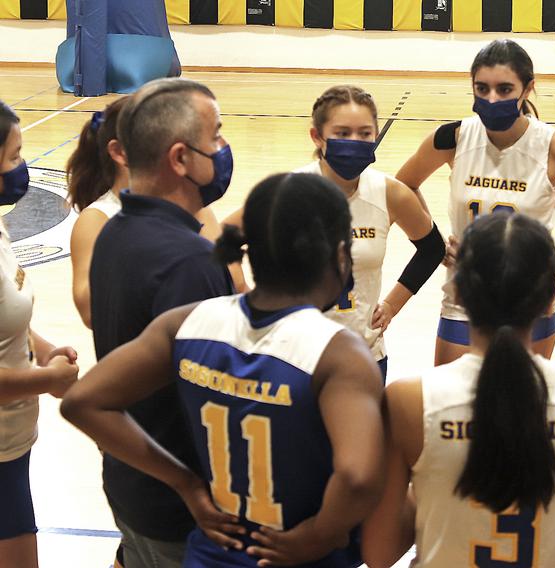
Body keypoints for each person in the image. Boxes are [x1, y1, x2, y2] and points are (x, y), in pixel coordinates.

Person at [62, 173, 385, 568]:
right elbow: (358, 477)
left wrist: (184, 483)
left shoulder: (186, 322)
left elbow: (81, 402)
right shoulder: (339, 353)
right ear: (339, 255)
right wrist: (318, 536)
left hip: (212, 553)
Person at [361, 212, 555, 568]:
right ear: (549, 300)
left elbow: (379, 553)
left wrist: (432, 487)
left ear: (459, 292)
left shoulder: (410, 400)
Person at [87, 78, 235, 567]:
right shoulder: (190, 262)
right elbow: (214, 395)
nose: (222, 148)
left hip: (130, 483)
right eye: (215, 136)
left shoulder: (115, 232)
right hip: (182, 507)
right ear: (179, 158)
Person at [396, 39, 555, 365]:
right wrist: (435, 244)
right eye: (481, 88)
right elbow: (403, 187)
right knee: (453, 405)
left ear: (527, 89)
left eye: (504, 89)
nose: (491, 98)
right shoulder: (451, 139)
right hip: (464, 296)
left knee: (522, 409)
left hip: (532, 300)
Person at [226, 85, 444, 380]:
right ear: (317, 136)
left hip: (365, 353)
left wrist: (393, 304)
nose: (355, 141)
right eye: (342, 133)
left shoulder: (390, 193)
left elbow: (432, 249)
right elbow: (224, 234)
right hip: (295, 355)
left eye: (365, 133)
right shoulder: (290, 190)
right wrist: (243, 292)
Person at [67, 98, 244, 329]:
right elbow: (91, 312)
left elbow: (237, 285)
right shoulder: (98, 218)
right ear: (121, 153)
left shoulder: (196, 208)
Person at [0, 101, 79, 568]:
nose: (21, 166)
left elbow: (8, 314)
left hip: (12, 440)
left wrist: (44, 348)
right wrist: (46, 381)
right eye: (12, 156)